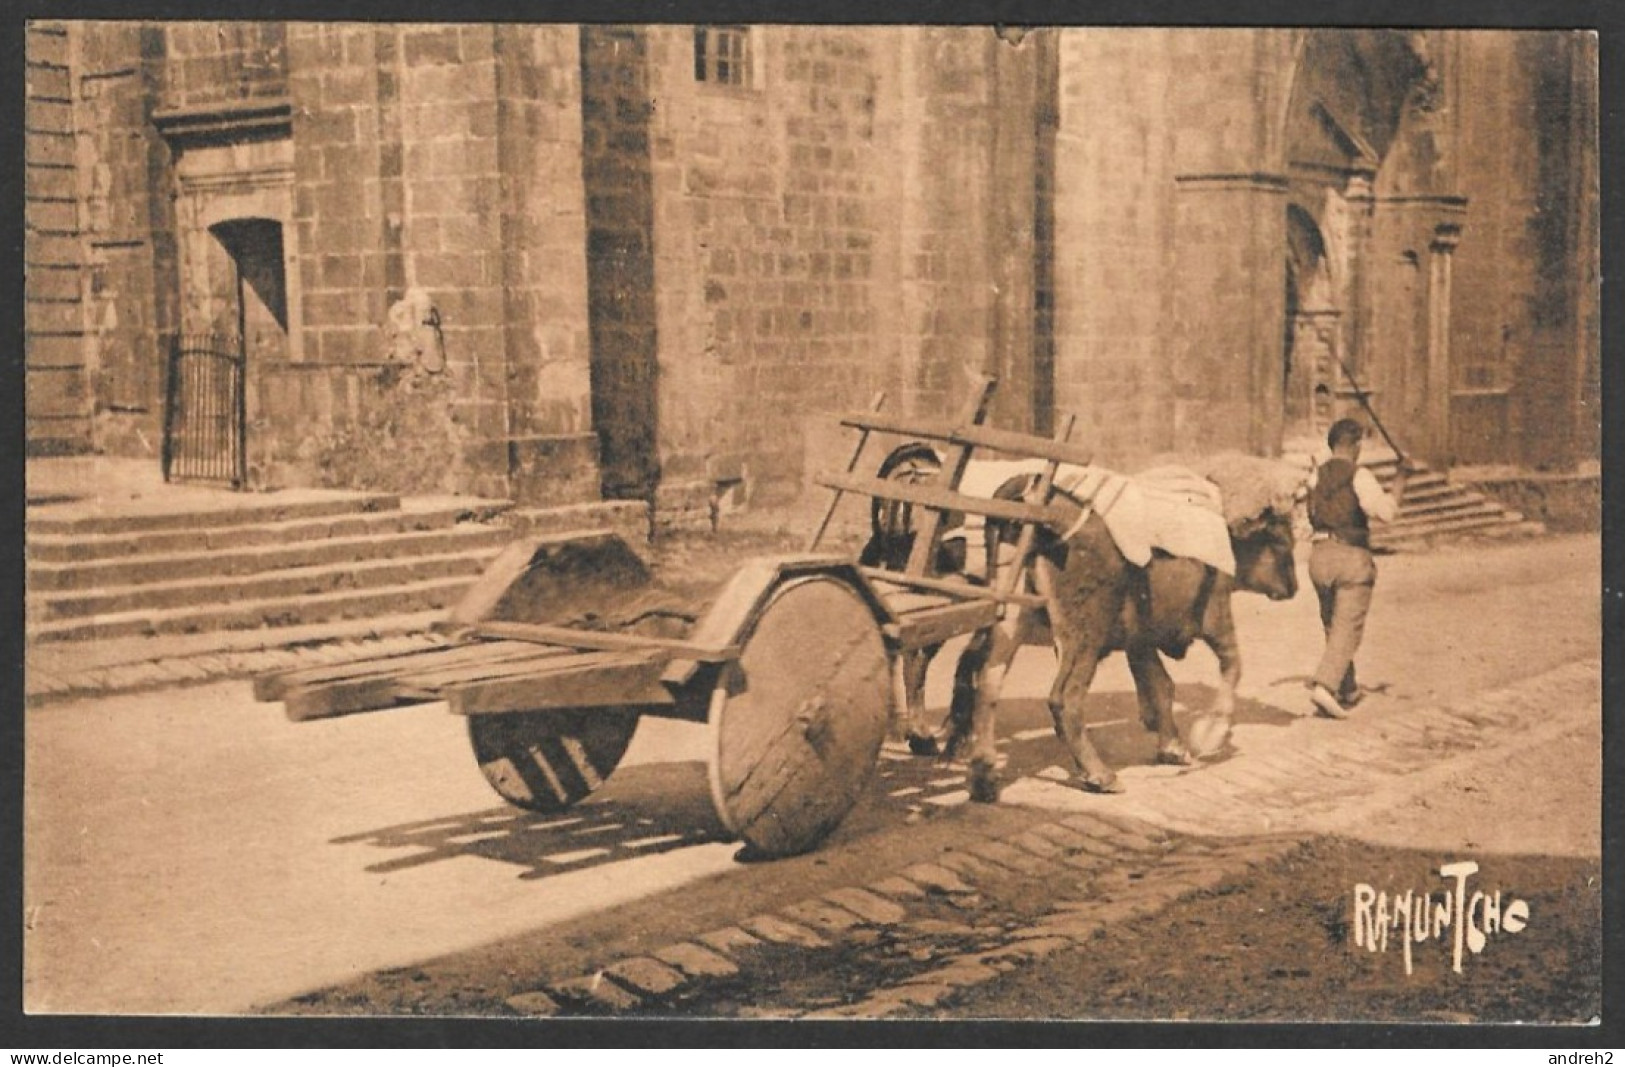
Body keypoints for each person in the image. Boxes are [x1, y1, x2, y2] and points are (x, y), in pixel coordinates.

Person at [1305, 417, 1408, 719]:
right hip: (1350, 557)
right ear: (1356, 445)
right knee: (1348, 628)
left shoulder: (1315, 476)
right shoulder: (1359, 475)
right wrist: (1401, 479)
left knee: (1332, 624)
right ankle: (1324, 686)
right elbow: (1386, 513)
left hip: (1318, 557)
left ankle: (1346, 688)